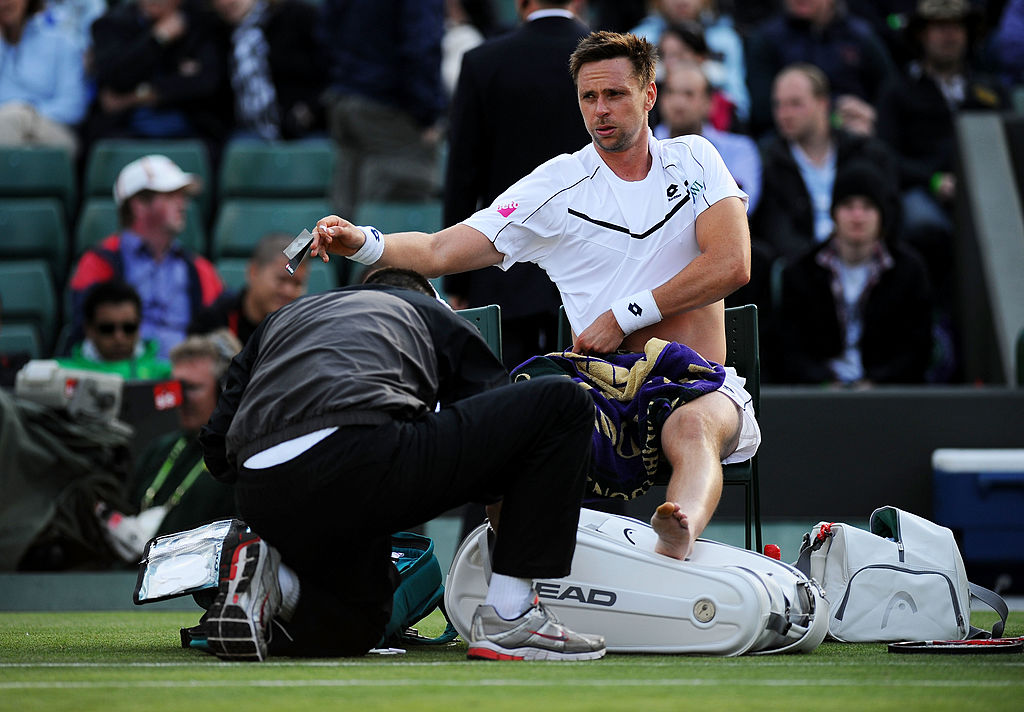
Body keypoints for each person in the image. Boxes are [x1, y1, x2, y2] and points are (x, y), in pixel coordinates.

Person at [310, 31, 761, 563]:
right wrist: (364, 242)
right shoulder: (557, 183)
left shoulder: (695, 157)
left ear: (649, 95)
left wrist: (623, 316)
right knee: (512, 434)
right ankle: (514, 591)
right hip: (599, 390)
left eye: (615, 94)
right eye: (588, 97)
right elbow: (439, 249)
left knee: (691, 426)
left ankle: (676, 531)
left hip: (699, 384)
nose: (600, 110)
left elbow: (732, 263)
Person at [197, 267, 605, 661]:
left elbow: (216, 446)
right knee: (563, 403)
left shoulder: (280, 320)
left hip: (261, 490)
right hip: (364, 456)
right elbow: (505, 446)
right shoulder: (430, 312)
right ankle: (510, 614)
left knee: (362, 620)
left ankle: (273, 581)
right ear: (429, 297)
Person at [442, 0, 590, 370]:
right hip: (590, 263)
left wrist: (458, 281)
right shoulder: (613, 60)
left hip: (503, 263)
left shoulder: (483, 61)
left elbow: (463, 176)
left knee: (508, 392)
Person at [875, 0, 1007, 295]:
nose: (949, 35)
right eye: (940, 27)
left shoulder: (990, 90)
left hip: (990, 193)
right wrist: (933, 180)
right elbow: (885, 155)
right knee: (925, 226)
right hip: (923, 190)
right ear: (922, 35)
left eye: (957, 27)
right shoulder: (898, 90)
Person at [776, 161, 933, 385]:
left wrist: (877, 383)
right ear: (834, 213)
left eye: (868, 206)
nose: (857, 216)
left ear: (882, 215)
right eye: (848, 205)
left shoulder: (909, 270)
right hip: (818, 395)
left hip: (889, 395)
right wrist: (823, 383)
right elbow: (788, 348)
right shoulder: (801, 271)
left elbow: (918, 348)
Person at [96, 330, 241, 563]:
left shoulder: (236, 459)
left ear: (225, 392)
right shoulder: (159, 449)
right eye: (176, 387)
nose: (180, 399)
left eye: (191, 388)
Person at [68, 154, 224, 359]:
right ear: (138, 205)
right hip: (121, 374)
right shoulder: (98, 262)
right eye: (171, 196)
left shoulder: (200, 268)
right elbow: (86, 333)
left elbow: (222, 329)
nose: (182, 204)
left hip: (186, 375)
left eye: (182, 196)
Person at [753, 63, 898, 262]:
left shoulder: (865, 152)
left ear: (823, 103)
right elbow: (775, 229)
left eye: (795, 104)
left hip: (864, 258)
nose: (784, 114)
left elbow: (889, 215)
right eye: (778, 104)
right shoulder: (767, 160)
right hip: (801, 268)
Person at [321, 0, 446, 217]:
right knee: (393, 216)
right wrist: (427, 114)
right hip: (390, 109)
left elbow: (326, 34)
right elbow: (421, 47)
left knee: (344, 211)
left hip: (345, 100)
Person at [85, 0, 231, 151]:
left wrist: (132, 97)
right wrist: (158, 38)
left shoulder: (202, 22)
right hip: (125, 134)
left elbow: (206, 84)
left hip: (193, 135)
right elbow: (116, 78)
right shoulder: (111, 24)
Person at [745, 0, 896, 138]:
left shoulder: (860, 36)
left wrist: (871, 116)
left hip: (858, 136)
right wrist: (832, 115)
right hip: (786, 141)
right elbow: (762, 109)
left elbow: (889, 91)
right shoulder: (767, 39)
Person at [210, 0, 328, 140]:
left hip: (307, 131)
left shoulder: (296, 16)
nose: (226, 2)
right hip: (250, 133)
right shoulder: (218, 33)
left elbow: (331, 68)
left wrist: (309, 109)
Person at [654, 60, 761, 213]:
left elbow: (738, 208)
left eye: (689, 94)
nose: (678, 103)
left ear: (710, 103)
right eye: (670, 92)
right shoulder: (642, 148)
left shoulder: (739, 149)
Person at [630, 0, 749, 126]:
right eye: (667, 55)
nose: (682, 2)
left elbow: (739, 103)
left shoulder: (726, 40)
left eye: (682, 54)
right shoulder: (639, 39)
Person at [0, 0, 89, 155]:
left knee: (13, 117)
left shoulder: (61, 42)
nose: (4, 3)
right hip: (7, 129)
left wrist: (26, 113)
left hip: (54, 130)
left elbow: (73, 107)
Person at [189, 233, 309, 345]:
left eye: (297, 284)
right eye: (281, 279)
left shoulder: (303, 329)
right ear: (253, 272)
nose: (288, 291)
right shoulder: (215, 320)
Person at [57, 280, 172, 380]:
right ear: (89, 329)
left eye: (129, 328)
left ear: (139, 326)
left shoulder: (168, 375)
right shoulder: (60, 374)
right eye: (107, 329)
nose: (119, 337)